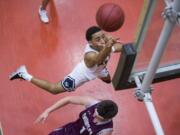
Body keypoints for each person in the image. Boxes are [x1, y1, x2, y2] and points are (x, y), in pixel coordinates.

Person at [9, 26, 123, 94]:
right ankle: (24, 74)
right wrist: (109, 46)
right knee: (54, 90)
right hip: (83, 74)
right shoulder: (90, 55)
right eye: (98, 39)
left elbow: (121, 47)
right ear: (90, 42)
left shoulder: (105, 44)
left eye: (103, 37)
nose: (102, 41)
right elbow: (99, 59)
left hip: (99, 69)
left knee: (108, 80)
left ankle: (100, 73)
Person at [35, 95, 118, 135]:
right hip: (68, 130)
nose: (93, 115)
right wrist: (48, 111)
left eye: (97, 117)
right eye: (95, 112)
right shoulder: (93, 103)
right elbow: (69, 99)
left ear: (107, 118)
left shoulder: (105, 131)